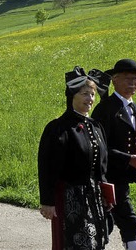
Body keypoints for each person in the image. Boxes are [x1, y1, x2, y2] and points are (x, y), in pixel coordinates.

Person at [38, 66, 112, 249]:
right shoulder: (58, 128)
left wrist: (105, 192)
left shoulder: (96, 127)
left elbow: (102, 164)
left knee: (96, 243)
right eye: (85, 94)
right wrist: (47, 201)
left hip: (94, 196)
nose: (90, 99)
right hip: (70, 198)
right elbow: (47, 167)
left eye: (93, 94)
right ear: (73, 95)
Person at [91, 59, 136, 250]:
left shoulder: (133, 107)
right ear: (115, 80)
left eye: (135, 79)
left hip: (123, 175)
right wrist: (129, 159)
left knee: (121, 218)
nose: (133, 83)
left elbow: (128, 141)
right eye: (128, 79)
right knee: (120, 218)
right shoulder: (105, 108)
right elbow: (101, 147)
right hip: (108, 175)